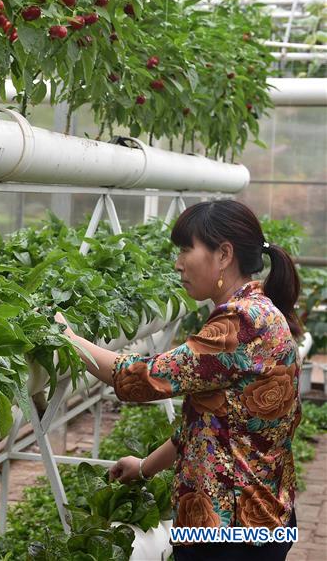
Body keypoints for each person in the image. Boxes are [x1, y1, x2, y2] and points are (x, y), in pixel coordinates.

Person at [55, 200, 302, 561]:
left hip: (228, 533)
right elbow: (211, 422)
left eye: (187, 248)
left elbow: (145, 377)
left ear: (224, 255)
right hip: (261, 521)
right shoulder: (263, 310)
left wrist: (68, 338)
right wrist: (145, 467)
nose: (178, 262)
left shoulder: (239, 323)